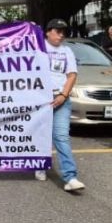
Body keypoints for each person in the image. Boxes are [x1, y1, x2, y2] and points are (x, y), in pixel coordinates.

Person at [35, 19, 85, 192]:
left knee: (61, 136)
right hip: (41, 100)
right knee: (41, 135)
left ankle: (70, 177)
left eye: (63, 32)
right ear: (47, 32)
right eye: (57, 31)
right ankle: (40, 164)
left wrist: (64, 95)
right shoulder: (37, 47)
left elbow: (71, 75)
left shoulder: (67, 51)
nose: (61, 35)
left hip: (61, 99)